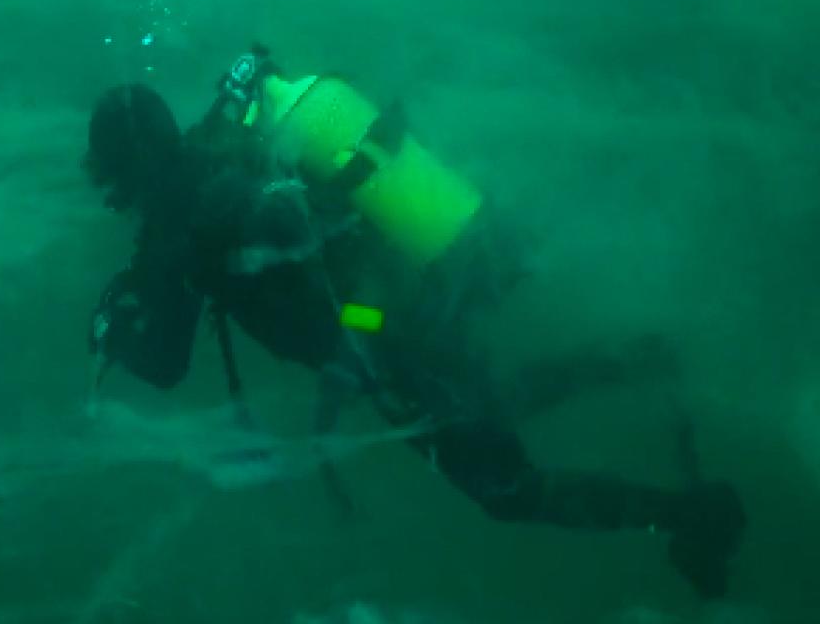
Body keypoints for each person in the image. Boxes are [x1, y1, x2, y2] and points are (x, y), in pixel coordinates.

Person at [82, 47, 746, 599]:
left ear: (122, 169)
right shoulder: (216, 147)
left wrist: (110, 332)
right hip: (403, 295)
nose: (110, 198)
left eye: (107, 177)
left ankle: (690, 516)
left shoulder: (176, 234)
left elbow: (167, 364)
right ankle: (633, 359)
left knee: (505, 490)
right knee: (490, 397)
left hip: (380, 338)